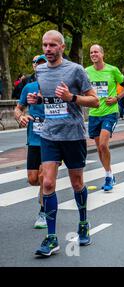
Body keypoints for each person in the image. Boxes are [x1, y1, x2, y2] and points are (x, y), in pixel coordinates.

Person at [27, 30, 99, 257]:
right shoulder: (39, 71)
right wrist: (37, 99)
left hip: (73, 134)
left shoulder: (75, 70)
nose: (47, 49)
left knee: (77, 183)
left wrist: (72, 98)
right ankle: (51, 238)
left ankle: (84, 223)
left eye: (52, 45)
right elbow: (47, 96)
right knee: (47, 183)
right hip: (49, 135)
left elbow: (95, 100)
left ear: (62, 47)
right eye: (44, 45)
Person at [85, 44, 124, 191]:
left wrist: (117, 98)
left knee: (103, 144)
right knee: (99, 148)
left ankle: (108, 176)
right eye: (91, 52)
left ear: (102, 54)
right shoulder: (86, 72)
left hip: (110, 112)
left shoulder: (112, 70)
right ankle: (109, 173)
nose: (93, 54)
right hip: (94, 114)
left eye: (96, 52)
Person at [14, 54, 47, 229]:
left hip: (52, 139)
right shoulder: (28, 87)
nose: (40, 66)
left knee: (44, 176)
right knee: (33, 179)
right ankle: (43, 192)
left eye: (44, 63)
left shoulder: (56, 84)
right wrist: (21, 117)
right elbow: (18, 109)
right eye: (37, 64)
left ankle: (43, 211)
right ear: (33, 67)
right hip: (34, 138)